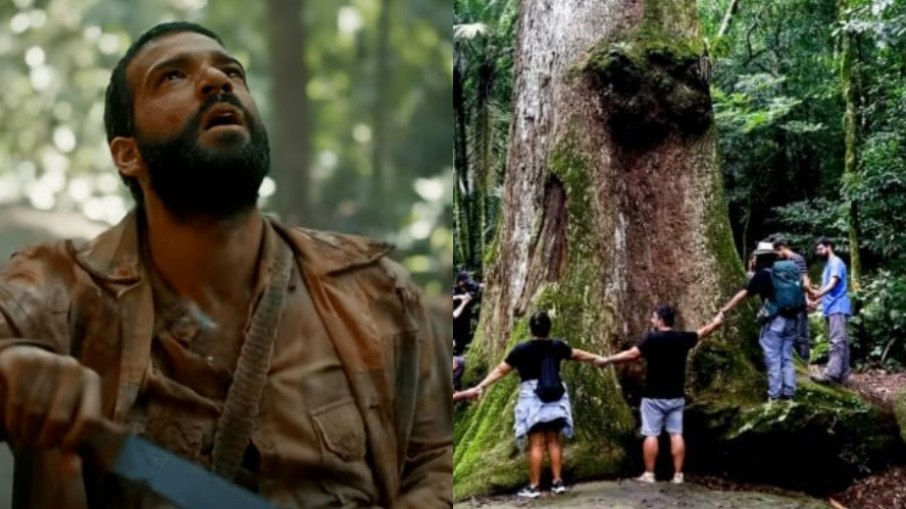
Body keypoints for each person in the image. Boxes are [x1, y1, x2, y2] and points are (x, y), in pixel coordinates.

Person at [0, 22, 451, 508]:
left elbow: (437, 459)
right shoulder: (58, 287)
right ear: (128, 155)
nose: (218, 81)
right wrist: (10, 367)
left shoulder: (375, 289)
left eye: (231, 71)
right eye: (172, 77)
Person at [459, 310, 604, 498]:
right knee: (554, 440)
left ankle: (534, 487)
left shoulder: (522, 349)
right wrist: (597, 358)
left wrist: (480, 386)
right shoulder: (557, 346)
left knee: (536, 443)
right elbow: (576, 354)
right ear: (549, 328)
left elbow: (501, 370)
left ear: (531, 329)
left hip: (532, 398)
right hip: (555, 394)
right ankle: (557, 482)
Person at [596, 306, 723, 484]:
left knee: (651, 434)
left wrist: (608, 360)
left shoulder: (651, 339)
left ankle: (649, 474)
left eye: (654, 318)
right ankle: (678, 475)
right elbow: (704, 331)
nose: (651, 320)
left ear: (661, 320)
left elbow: (632, 354)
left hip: (653, 397)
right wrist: (717, 322)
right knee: (676, 434)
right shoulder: (682, 338)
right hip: (676, 397)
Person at [718, 241, 807, 402]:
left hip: (775, 321)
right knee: (786, 356)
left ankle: (774, 395)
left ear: (759, 258)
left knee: (773, 357)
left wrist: (725, 309)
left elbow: (744, 294)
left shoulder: (764, 274)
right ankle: (789, 393)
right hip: (792, 319)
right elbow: (802, 286)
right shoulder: (785, 271)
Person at [809, 237, 853, 385]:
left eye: (821, 249)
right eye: (817, 250)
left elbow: (833, 284)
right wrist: (816, 301)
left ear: (829, 247)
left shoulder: (836, 263)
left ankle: (830, 374)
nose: (819, 252)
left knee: (836, 342)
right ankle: (844, 377)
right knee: (842, 342)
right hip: (831, 307)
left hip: (838, 307)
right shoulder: (828, 265)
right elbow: (827, 290)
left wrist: (817, 294)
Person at [773, 238, 813, 363]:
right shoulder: (787, 261)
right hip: (791, 302)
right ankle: (798, 362)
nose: (777, 256)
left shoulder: (796, 259)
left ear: (781, 248)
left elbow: (805, 279)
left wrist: (807, 297)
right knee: (793, 335)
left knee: (801, 334)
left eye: (777, 252)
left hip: (799, 301)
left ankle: (805, 362)